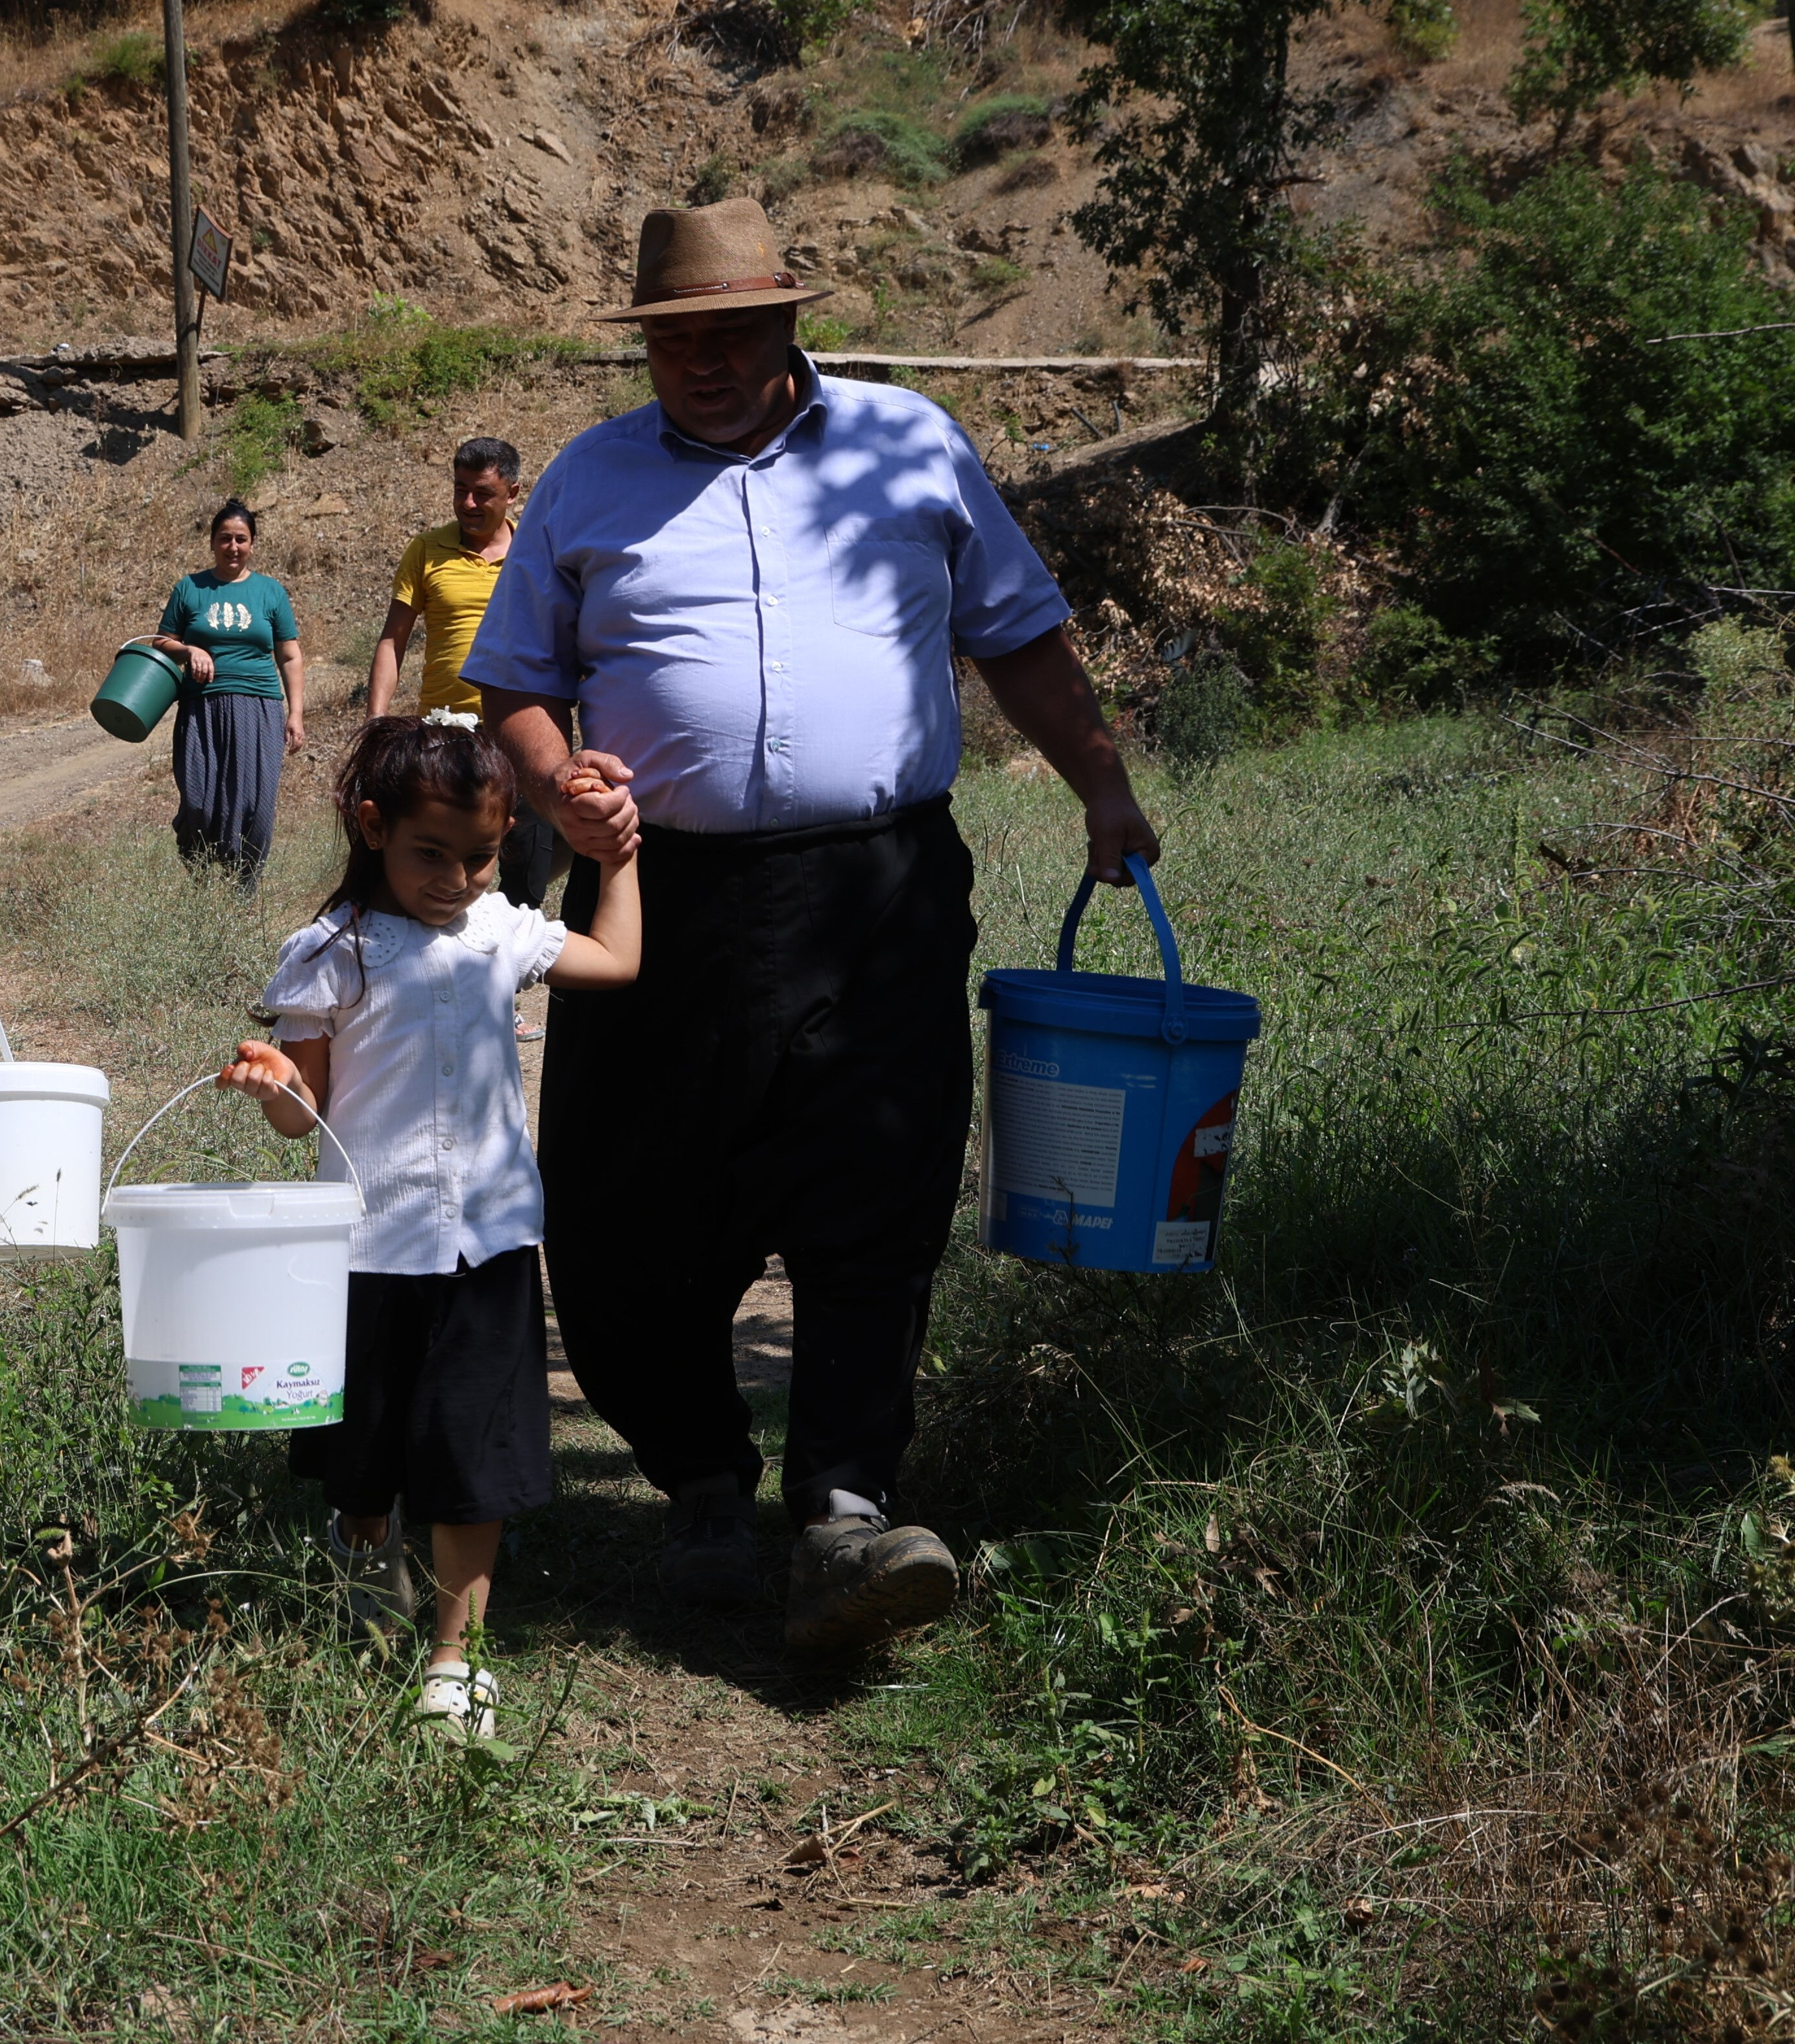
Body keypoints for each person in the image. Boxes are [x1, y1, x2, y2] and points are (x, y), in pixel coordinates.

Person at [464, 199, 1162, 1658]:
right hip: (664, 904)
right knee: (625, 1204)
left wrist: (1104, 780)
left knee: (880, 1183)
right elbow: (516, 686)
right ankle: (707, 1485)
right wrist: (558, 782)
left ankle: (844, 1500)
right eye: (675, 342)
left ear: (795, 327)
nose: (702, 364)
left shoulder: (911, 444)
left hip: (882, 887)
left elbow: (1019, 633)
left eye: (729, 334)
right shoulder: (589, 481)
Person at [220, 717, 644, 1736]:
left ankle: (457, 1660)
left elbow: (618, 963)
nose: (457, 877)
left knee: (470, 1455)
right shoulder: (332, 952)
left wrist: (620, 857)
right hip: (369, 1249)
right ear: (372, 827)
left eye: (481, 854)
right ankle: (366, 1569)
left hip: (488, 1244)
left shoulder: (500, 928)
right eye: (431, 853)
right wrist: (274, 1077)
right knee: (365, 1457)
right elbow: (298, 1115)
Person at [362, 437, 560, 911]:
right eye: (460, 489)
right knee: (443, 875)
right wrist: (376, 722)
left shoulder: (538, 553)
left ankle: (506, 979)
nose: (468, 503)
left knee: (526, 878)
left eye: (483, 492)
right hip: (448, 739)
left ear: (512, 492)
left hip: (525, 733)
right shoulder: (427, 551)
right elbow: (393, 640)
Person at [151, 499, 306, 883]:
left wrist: (296, 713)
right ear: (212, 542)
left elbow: (289, 656)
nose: (233, 547)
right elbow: (160, 642)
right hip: (201, 707)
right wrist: (189, 649)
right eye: (225, 539)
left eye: (241, 539)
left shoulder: (270, 592)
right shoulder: (190, 589)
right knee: (200, 800)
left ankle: (244, 888)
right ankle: (200, 877)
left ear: (252, 543)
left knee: (256, 802)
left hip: (260, 706)